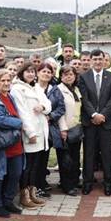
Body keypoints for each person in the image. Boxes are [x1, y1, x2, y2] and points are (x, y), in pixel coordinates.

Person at [0, 69, 28, 215]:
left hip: (15, 144)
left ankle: (8, 201)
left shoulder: (10, 97)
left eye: (8, 80)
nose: (6, 83)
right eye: (2, 81)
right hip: (2, 145)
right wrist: (19, 122)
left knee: (15, 174)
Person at [78, 49, 111, 195]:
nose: (97, 62)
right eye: (94, 59)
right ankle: (87, 182)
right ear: (90, 60)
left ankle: (108, 183)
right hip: (90, 123)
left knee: (108, 154)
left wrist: (102, 115)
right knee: (89, 154)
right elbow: (84, 99)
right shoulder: (83, 77)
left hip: (106, 123)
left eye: (100, 59)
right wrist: (94, 114)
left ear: (104, 60)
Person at [11, 63, 52, 204]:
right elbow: (22, 113)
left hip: (41, 132)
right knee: (27, 166)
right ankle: (24, 195)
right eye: (27, 71)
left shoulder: (35, 88)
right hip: (30, 132)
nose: (30, 74)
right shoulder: (17, 89)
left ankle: (32, 192)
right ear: (22, 73)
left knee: (35, 165)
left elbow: (48, 104)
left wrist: (43, 106)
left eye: (32, 72)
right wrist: (30, 132)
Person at [38, 63, 67, 194]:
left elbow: (61, 107)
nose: (46, 74)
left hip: (50, 128)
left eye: (49, 72)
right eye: (43, 71)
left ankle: (42, 183)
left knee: (45, 157)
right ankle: (36, 185)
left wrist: (50, 116)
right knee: (36, 159)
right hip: (35, 128)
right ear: (38, 73)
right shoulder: (32, 89)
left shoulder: (55, 90)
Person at [57, 65, 83, 195]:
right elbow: (60, 111)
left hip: (76, 129)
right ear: (61, 77)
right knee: (65, 159)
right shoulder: (59, 90)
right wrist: (63, 129)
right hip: (65, 129)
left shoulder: (76, 89)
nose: (68, 77)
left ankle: (74, 181)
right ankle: (66, 185)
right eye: (65, 74)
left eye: (71, 74)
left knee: (75, 157)